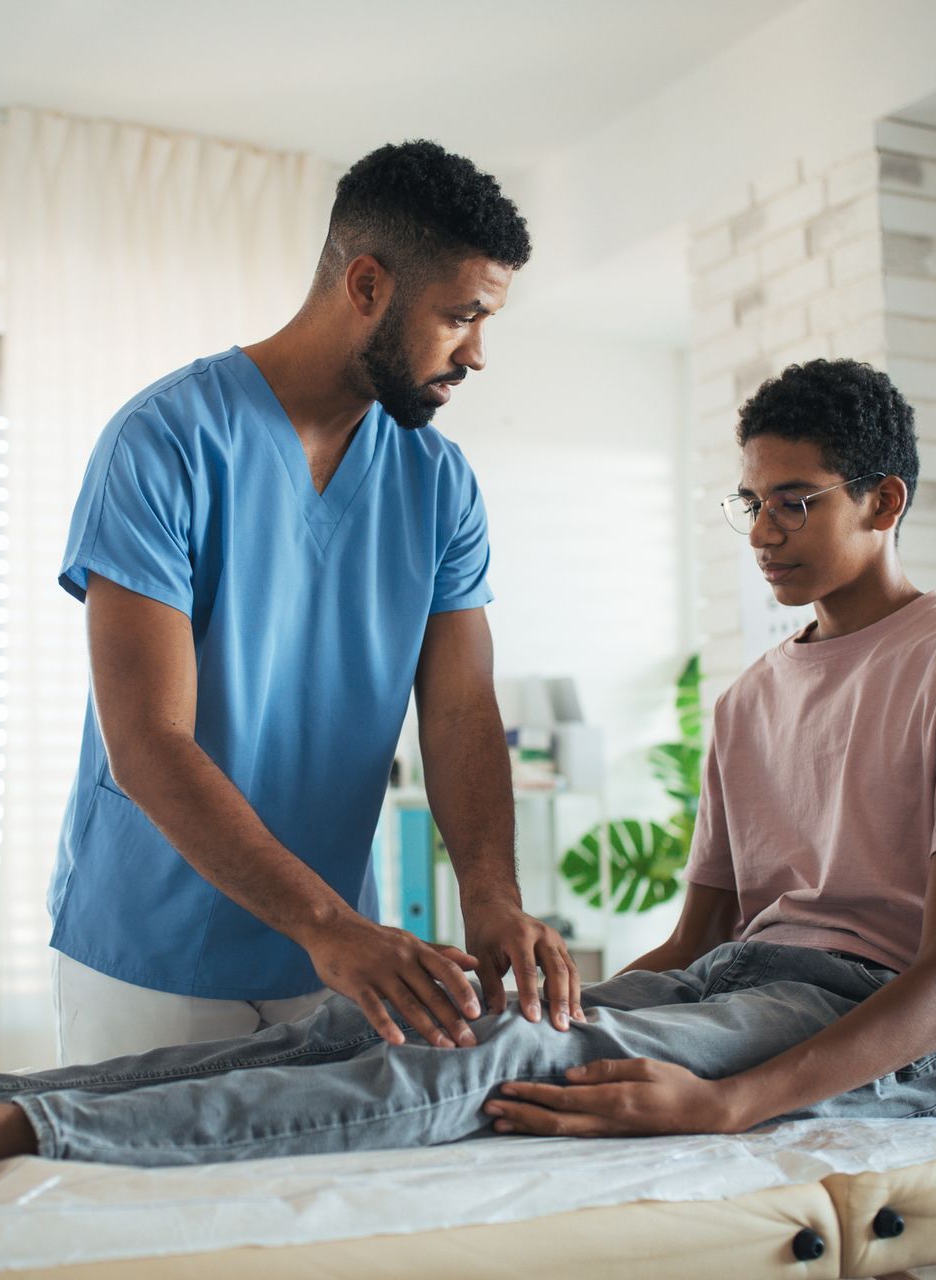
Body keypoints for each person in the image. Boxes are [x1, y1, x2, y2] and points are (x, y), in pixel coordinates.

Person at [0, 358, 936, 1186]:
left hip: (879, 1026)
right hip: (733, 983)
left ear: (884, 503)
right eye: (750, 502)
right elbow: (701, 935)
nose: (765, 532)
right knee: (411, 1027)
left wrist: (724, 1103)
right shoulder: (760, 695)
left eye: (798, 501)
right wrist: (551, 991)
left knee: (492, 1067)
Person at [44, 138, 578, 1064]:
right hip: (153, 954)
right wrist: (328, 925)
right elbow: (147, 744)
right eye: (460, 317)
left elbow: (459, 711)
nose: (478, 354)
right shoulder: (164, 443)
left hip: (340, 962)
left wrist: (491, 899)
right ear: (366, 285)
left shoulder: (439, 481)